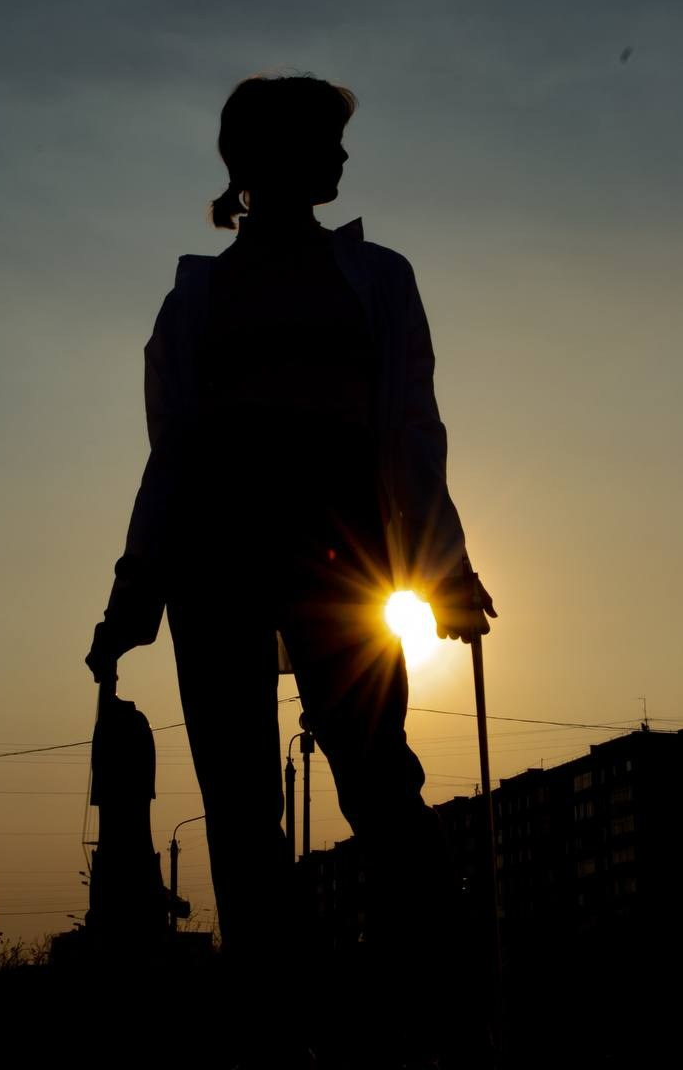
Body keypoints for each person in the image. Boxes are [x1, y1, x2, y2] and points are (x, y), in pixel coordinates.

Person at [86, 73, 496, 1068]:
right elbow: (173, 452)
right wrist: (134, 587)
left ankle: (439, 995)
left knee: (376, 772)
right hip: (215, 558)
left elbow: (409, 427)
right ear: (263, 160)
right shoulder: (194, 297)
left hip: (342, 554)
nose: (345, 160)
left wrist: (442, 565)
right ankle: (279, 1020)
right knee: (235, 798)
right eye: (326, 141)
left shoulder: (380, 278)